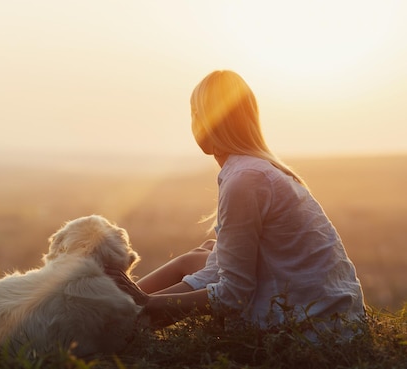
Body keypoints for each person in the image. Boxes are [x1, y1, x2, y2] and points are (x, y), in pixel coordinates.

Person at [107, 70, 365, 333]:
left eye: (195, 113)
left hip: (308, 331)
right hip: (333, 317)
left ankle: (121, 322)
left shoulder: (245, 180)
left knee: (198, 265)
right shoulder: (258, 169)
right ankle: (118, 308)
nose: (193, 122)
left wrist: (149, 304)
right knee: (205, 253)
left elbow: (234, 295)